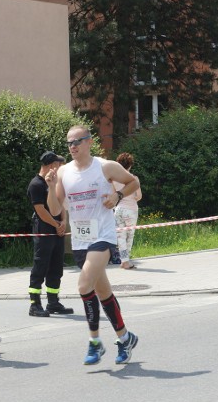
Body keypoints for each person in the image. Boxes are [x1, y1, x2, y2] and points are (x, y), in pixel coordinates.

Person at [46, 125, 141, 365]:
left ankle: (95, 342)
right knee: (102, 292)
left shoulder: (105, 166)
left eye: (78, 141)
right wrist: (50, 186)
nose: (73, 146)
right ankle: (125, 337)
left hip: (103, 236)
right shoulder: (64, 172)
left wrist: (117, 196)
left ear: (90, 142)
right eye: (69, 143)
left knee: (84, 284)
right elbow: (56, 210)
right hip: (80, 239)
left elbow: (133, 182)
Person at [26, 151, 74, 317]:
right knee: (41, 266)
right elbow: (40, 211)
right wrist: (56, 225)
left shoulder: (55, 182)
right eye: (58, 165)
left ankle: (53, 302)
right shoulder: (36, 184)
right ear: (51, 165)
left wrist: (62, 222)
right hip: (44, 229)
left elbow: (61, 204)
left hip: (57, 229)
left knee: (56, 266)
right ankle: (35, 304)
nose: (59, 169)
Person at [113, 152, 143, 270]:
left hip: (118, 209)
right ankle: (126, 262)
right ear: (130, 165)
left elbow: (113, 195)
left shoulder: (114, 180)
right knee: (129, 237)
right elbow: (138, 196)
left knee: (120, 237)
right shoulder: (134, 179)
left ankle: (123, 260)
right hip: (131, 210)